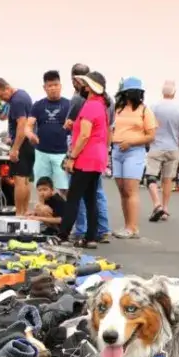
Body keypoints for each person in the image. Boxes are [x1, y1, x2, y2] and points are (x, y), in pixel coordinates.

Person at [59, 71, 111, 248]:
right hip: (97, 158)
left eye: (84, 84)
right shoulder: (101, 105)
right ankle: (91, 238)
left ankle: (62, 235)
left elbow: (85, 135)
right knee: (90, 199)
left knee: (73, 197)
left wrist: (72, 157)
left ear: (89, 88)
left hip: (85, 157)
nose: (81, 87)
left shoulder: (90, 106)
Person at [109, 76, 156, 238]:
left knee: (130, 189)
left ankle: (133, 227)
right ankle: (127, 225)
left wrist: (131, 142)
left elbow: (151, 136)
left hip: (134, 151)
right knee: (122, 190)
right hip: (116, 151)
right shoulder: (118, 109)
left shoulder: (144, 110)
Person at [0, 76, 37, 216]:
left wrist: (15, 148)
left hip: (22, 144)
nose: (2, 99)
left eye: (1, 96)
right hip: (29, 142)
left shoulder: (17, 101)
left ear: (7, 88)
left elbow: (21, 125)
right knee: (26, 179)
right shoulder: (23, 95)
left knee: (19, 179)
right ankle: (24, 211)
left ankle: (19, 213)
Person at [146, 80, 179, 223]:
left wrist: (148, 142)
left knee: (151, 177)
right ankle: (165, 208)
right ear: (174, 92)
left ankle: (157, 204)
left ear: (162, 91)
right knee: (168, 179)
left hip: (156, 146)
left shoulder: (153, 107)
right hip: (173, 147)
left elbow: (149, 126)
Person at [30, 70, 73, 194]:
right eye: (50, 85)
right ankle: (43, 207)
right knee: (42, 188)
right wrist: (30, 134)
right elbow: (28, 125)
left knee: (64, 189)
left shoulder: (69, 105)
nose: (53, 88)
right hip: (41, 153)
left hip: (62, 153)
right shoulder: (38, 105)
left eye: (55, 85)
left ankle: (65, 207)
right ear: (44, 87)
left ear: (60, 86)